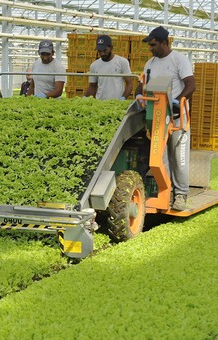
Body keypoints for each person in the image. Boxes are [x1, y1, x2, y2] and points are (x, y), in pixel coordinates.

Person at [135, 26, 196, 211]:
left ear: (164, 42)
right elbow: (141, 84)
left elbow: (191, 85)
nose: (150, 48)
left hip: (177, 119)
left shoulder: (179, 60)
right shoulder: (150, 63)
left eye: (153, 45)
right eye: (149, 45)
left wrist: (178, 101)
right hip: (158, 118)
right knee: (161, 158)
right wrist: (138, 96)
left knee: (179, 158)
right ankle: (167, 193)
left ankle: (181, 195)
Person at [84, 35, 132, 100]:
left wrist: (123, 98)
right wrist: (85, 98)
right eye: (99, 51)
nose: (102, 53)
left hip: (116, 102)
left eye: (105, 50)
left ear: (111, 48)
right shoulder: (94, 65)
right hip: (100, 102)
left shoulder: (122, 62)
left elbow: (129, 84)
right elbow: (92, 86)